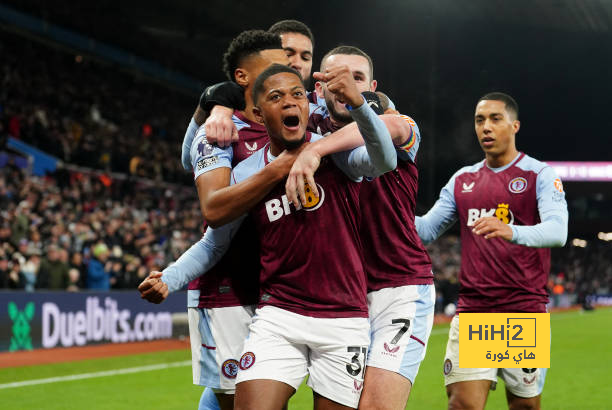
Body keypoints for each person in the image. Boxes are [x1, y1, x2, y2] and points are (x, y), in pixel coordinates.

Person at [141, 63, 417, 409]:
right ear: (258, 112)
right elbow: (215, 242)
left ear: (306, 107)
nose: (290, 102)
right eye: (277, 97)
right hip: (278, 316)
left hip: (344, 319)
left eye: (298, 95)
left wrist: (359, 104)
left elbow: (385, 160)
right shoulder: (246, 172)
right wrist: (170, 277)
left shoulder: (335, 151)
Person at [286, 45, 435, 409]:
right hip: (337, 296)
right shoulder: (307, 122)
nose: (346, 85)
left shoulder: (400, 122)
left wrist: (316, 149)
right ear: (318, 88)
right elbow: (263, 98)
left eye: (356, 78)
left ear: (372, 85)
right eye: (336, 78)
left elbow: (389, 128)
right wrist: (218, 109)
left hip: (398, 287)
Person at [415, 92, 568, 410]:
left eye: (495, 119)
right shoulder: (463, 180)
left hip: (523, 312)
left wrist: (511, 230)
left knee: (524, 407)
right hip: (476, 312)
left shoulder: (539, 175)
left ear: (514, 125)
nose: (486, 126)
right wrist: (384, 208)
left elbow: (558, 231)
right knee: (463, 405)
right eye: (479, 120)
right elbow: (426, 229)